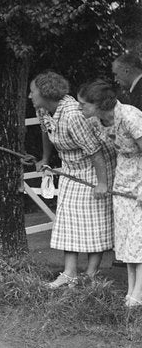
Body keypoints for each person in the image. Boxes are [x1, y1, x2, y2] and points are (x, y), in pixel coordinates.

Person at [30, 70, 114, 286]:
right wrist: (45, 159)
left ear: (46, 94)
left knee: (94, 220)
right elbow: (45, 131)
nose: (30, 96)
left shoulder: (72, 115)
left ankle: (91, 273)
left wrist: (102, 183)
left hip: (95, 166)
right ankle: (69, 272)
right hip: (70, 166)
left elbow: (94, 151)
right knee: (68, 218)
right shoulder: (43, 109)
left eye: (33, 92)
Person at [77, 80, 142, 307]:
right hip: (123, 177)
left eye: (83, 104)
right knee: (125, 238)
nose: (80, 108)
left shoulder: (131, 117)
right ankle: (132, 291)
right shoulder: (98, 121)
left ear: (99, 104)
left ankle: (137, 294)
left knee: (139, 237)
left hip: (140, 178)